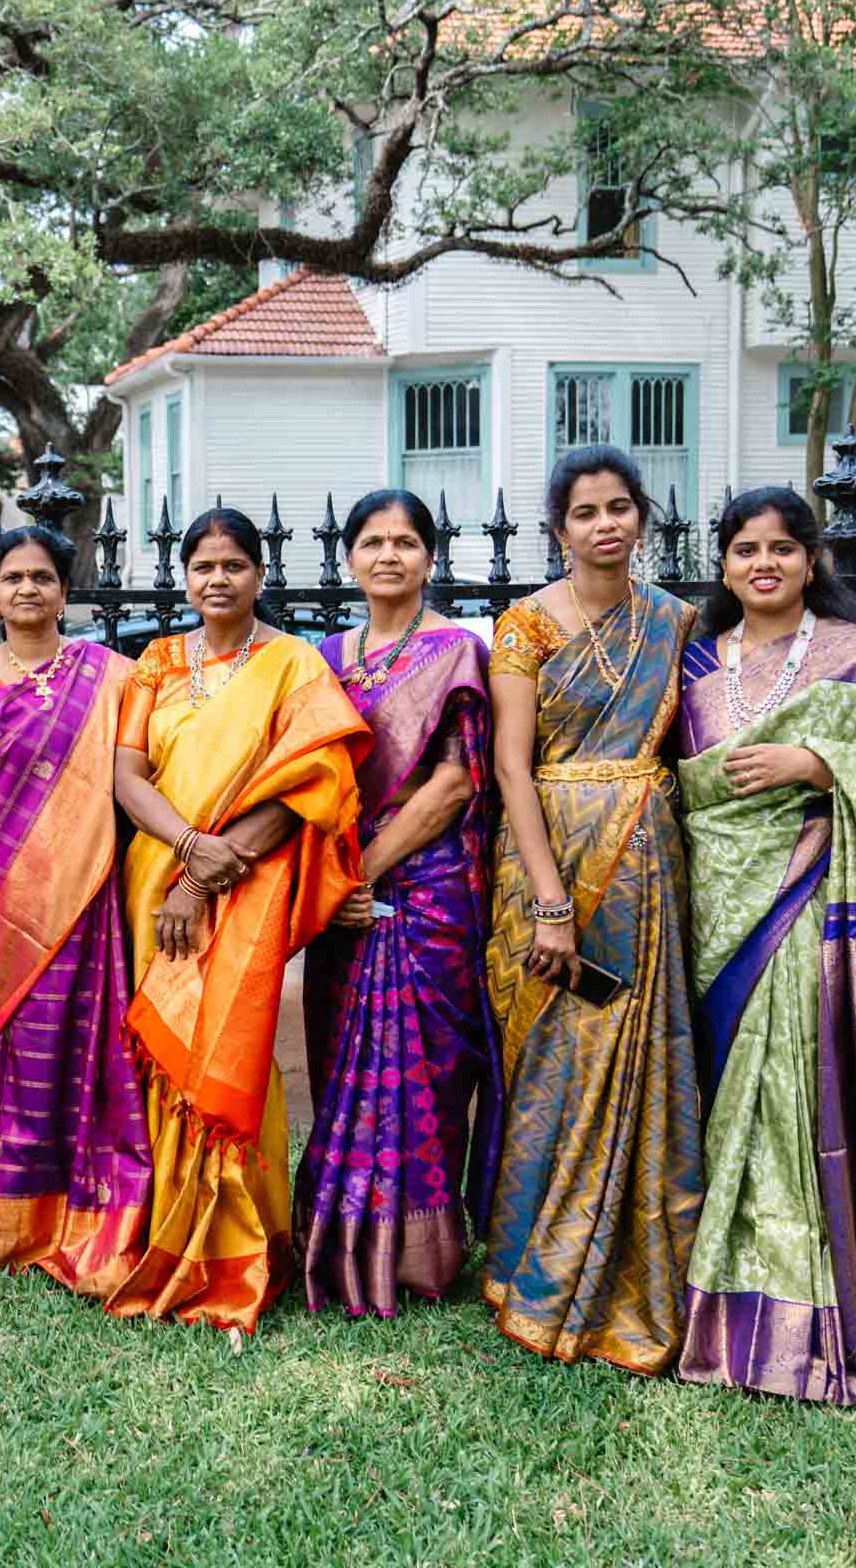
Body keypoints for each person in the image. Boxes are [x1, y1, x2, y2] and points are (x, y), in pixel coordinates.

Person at [673, 487, 856, 1405]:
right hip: (710, 904)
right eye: (746, 548)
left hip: (801, 894)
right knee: (717, 1096)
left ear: (811, 560)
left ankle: (788, 1311)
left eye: (784, 548)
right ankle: (701, 1282)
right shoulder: (694, 659)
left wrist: (817, 765)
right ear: (722, 563)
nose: (765, 563)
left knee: (786, 1089)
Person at [104, 507, 367, 1331]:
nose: (218, 579)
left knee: (234, 1046)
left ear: (260, 574)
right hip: (156, 877)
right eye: (203, 566)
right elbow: (127, 773)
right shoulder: (157, 661)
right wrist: (186, 850)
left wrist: (219, 863)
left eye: (234, 565)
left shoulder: (292, 664)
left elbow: (312, 782)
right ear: (185, 577)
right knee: (166, 1052)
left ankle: (242, 1246)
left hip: (244, 886)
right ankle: (171, 1230)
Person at [481, 445, 702, 1375]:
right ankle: (534, 1269)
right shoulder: (525, 626)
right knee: (553, 1066)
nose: (606, 524)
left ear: (640, 518)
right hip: (552, 858)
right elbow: (508, 766)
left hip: (647, 864)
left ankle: (633, 1271)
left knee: (640, 1058)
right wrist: (549, 901)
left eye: (621, 508)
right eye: (586, 512)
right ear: (559, 528)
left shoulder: (676, 621)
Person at [0, 526, 151, 1296]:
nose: (28, 590)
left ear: (66, 590)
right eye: (13, 579)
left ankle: (91, 1225)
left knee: (90, 1065)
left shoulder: (118, 677)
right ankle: (8, 1229)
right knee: (14, 1068)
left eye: (44, 577)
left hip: (91, 907)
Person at [297, 489, 499, 1319]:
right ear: (349, 558)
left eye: (407, 542)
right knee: (344, 1056)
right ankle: (339, 1238)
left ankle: (422, 1252)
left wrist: (365, 870)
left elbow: (454, 781)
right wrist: (334, 882)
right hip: (338, 893)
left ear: (430, 557)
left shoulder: (456, 652)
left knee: (431, 1071)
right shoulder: (322, 658)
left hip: (428, 887)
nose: (389, 556)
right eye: (373, 542)